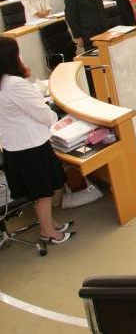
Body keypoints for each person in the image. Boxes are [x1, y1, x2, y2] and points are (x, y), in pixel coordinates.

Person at [0, 36, 73, 245]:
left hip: (14, 147)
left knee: (39, 190)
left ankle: (50, 221)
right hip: (30, 146)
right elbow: (43, 114)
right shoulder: (14, 84)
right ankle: (48, 231)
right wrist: (54, 118)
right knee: (43, 191)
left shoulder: (4, 82)